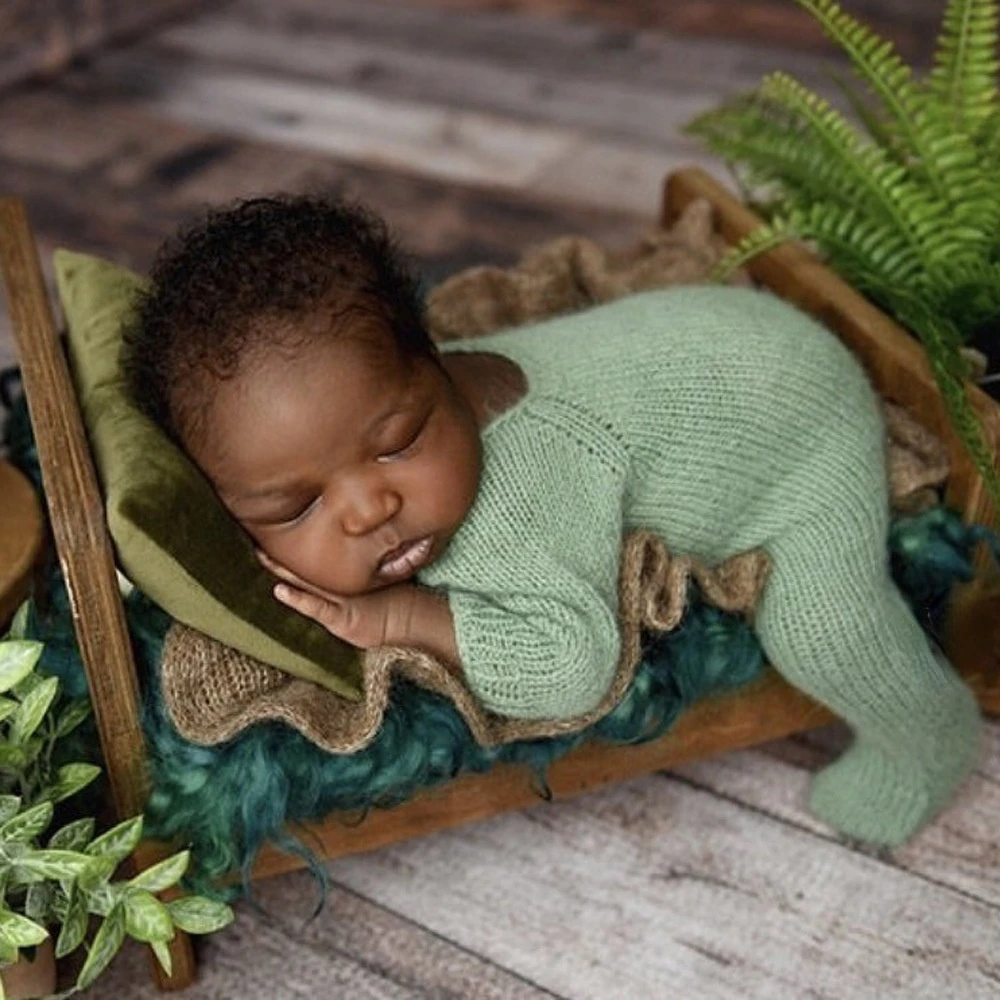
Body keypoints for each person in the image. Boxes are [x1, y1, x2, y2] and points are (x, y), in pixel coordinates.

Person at [126, 193, 980, 847]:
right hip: (723, 343)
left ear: (437, 361)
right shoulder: (388, 419)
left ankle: (929, 731)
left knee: (821, 625)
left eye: (399, 441)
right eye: (295, 506)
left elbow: (574, 665)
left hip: (795, 424)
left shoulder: (519, 497)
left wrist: (400, 616)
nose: (369, 507)